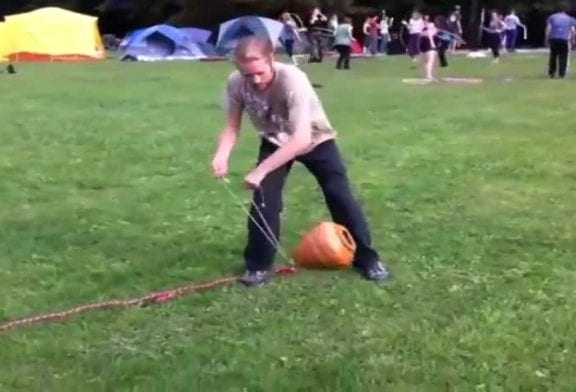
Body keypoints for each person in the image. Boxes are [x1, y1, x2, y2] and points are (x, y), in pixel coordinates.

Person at [211, 36, 391, 287]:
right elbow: (232, 126)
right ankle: (258, 266)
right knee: (264, 202)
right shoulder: (236, 83)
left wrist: (259, 171)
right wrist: (222, 154)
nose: (255, 81)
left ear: (271, 59)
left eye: (259, 73)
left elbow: (301, 138)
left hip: (316, 140)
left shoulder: (293, 79)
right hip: (274, 141)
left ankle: (368, 260)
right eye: (247, 75)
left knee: (340, 196)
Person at [545, 3, 576, 79]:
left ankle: (552, 72)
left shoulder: (552, 17)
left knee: (553, 56)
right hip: (564, 39)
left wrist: (546, 39)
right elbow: (573, 31)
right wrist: (573, 40)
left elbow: (548, 29)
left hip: (554, 39)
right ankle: (561, 73)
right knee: (563, 57)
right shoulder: (570, 19)